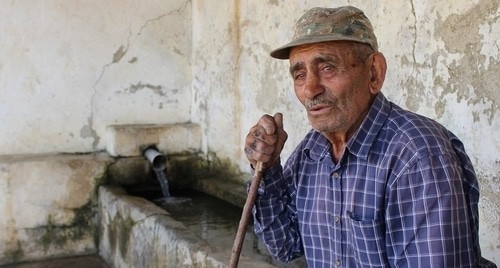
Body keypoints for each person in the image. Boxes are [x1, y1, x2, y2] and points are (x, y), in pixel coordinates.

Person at [244, 6, 496, 268]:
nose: (309, 89)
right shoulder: (312, 150)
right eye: (299, 74)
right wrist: (268, 169)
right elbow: (285, 245)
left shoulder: (418, 156)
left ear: (374, 72)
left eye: (328, 67)